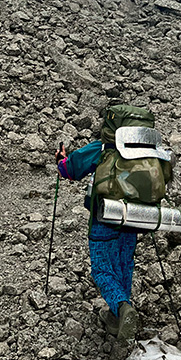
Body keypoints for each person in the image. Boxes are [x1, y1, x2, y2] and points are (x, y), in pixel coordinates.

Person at [56, 137, 140, 345]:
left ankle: (121, 306)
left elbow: (69, 171)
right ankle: (117, 316)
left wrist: (61, 160)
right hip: (135, 217)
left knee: (102, 269)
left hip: (104, 217)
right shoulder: (145, 150)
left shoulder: (103, 147)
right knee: (124, 264)